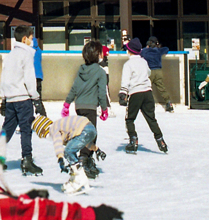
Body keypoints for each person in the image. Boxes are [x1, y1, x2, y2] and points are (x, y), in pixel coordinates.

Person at [61, 40, 109, 179]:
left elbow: (74, 88)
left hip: (79, 108)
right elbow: (101, 92)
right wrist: (104, 109)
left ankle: (86, 160)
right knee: (90, 134)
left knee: (82, 133)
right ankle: (84, 160)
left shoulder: (81, 70)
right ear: (97, 55)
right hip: (90, 108)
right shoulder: (100, 71)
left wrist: (67, 103)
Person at [0, 25, 43, 175]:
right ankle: (27, 159)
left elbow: (4, 78)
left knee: (7, 129)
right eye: (31, 38)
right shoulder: (26, 55)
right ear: (24, 39)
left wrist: (4, 98)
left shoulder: (10, 55)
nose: (32, 41)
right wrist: (36, 99)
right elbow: (29, 79)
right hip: (23, 98)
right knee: (26, 129)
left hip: (11, 98)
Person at [119, 38, 167, 153]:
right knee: (151, 119)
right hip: (148, 93)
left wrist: (123, 93)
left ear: (129, 51)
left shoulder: (128, 64)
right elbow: (149, 73)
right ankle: (160, 140)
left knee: (130, 119)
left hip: (135, 93)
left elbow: (125, 80)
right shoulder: (144, 62)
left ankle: (133, 141)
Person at [31, 113, 97, 195]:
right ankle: (77, 177)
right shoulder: (63, 129)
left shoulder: (53, 129)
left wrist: (60, 158)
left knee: (68, 151)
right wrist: (96, 149)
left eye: (43, 136)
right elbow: (82, 141)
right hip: (89, 128)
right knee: (71, 149)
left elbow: (57, 143)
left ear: (44, 131)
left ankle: (79, 179)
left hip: (85, 129)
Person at [141, 36, 174, 112]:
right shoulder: (159, 51)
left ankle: (146, 104)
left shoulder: (145, 51)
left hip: (149, 72)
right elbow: (167, 49)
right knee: (162, 88)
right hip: (158, 71)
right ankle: (168, 102)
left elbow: (138, 52)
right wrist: (158, 47)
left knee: (146, 88)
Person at [31, 36, 46, 116]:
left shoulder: (29, 51)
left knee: (28, 100)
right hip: (39, 76)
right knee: (38, 99)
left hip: (31, 76)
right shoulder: (39, 50)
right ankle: (43, 116)